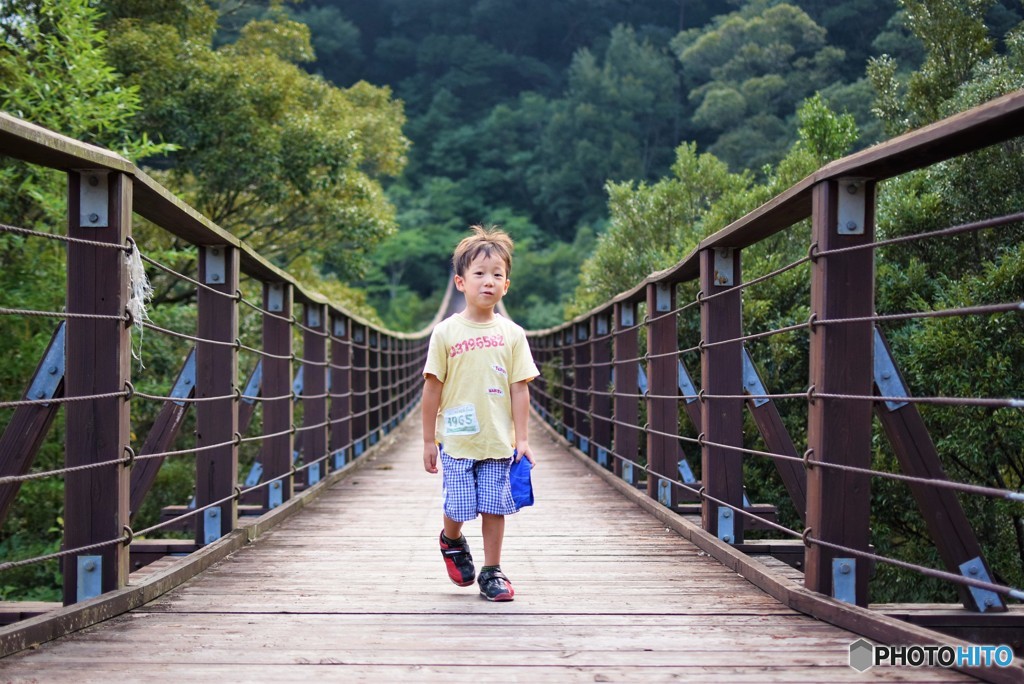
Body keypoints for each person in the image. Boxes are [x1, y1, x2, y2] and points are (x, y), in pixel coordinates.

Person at [421, 225, 539, 602]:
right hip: (456, 439)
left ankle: (492, 571)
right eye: (479, 274)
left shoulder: (513, 334)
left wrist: (522, 438)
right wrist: (428, 440)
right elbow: (432, 387)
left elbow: (520, 388)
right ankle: (451, 539)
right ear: (460, 282)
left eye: (497, 275)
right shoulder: (445, 333)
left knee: (493, 505)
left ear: (507, 285)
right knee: (458, 506)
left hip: (497, 440)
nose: (488, 282)